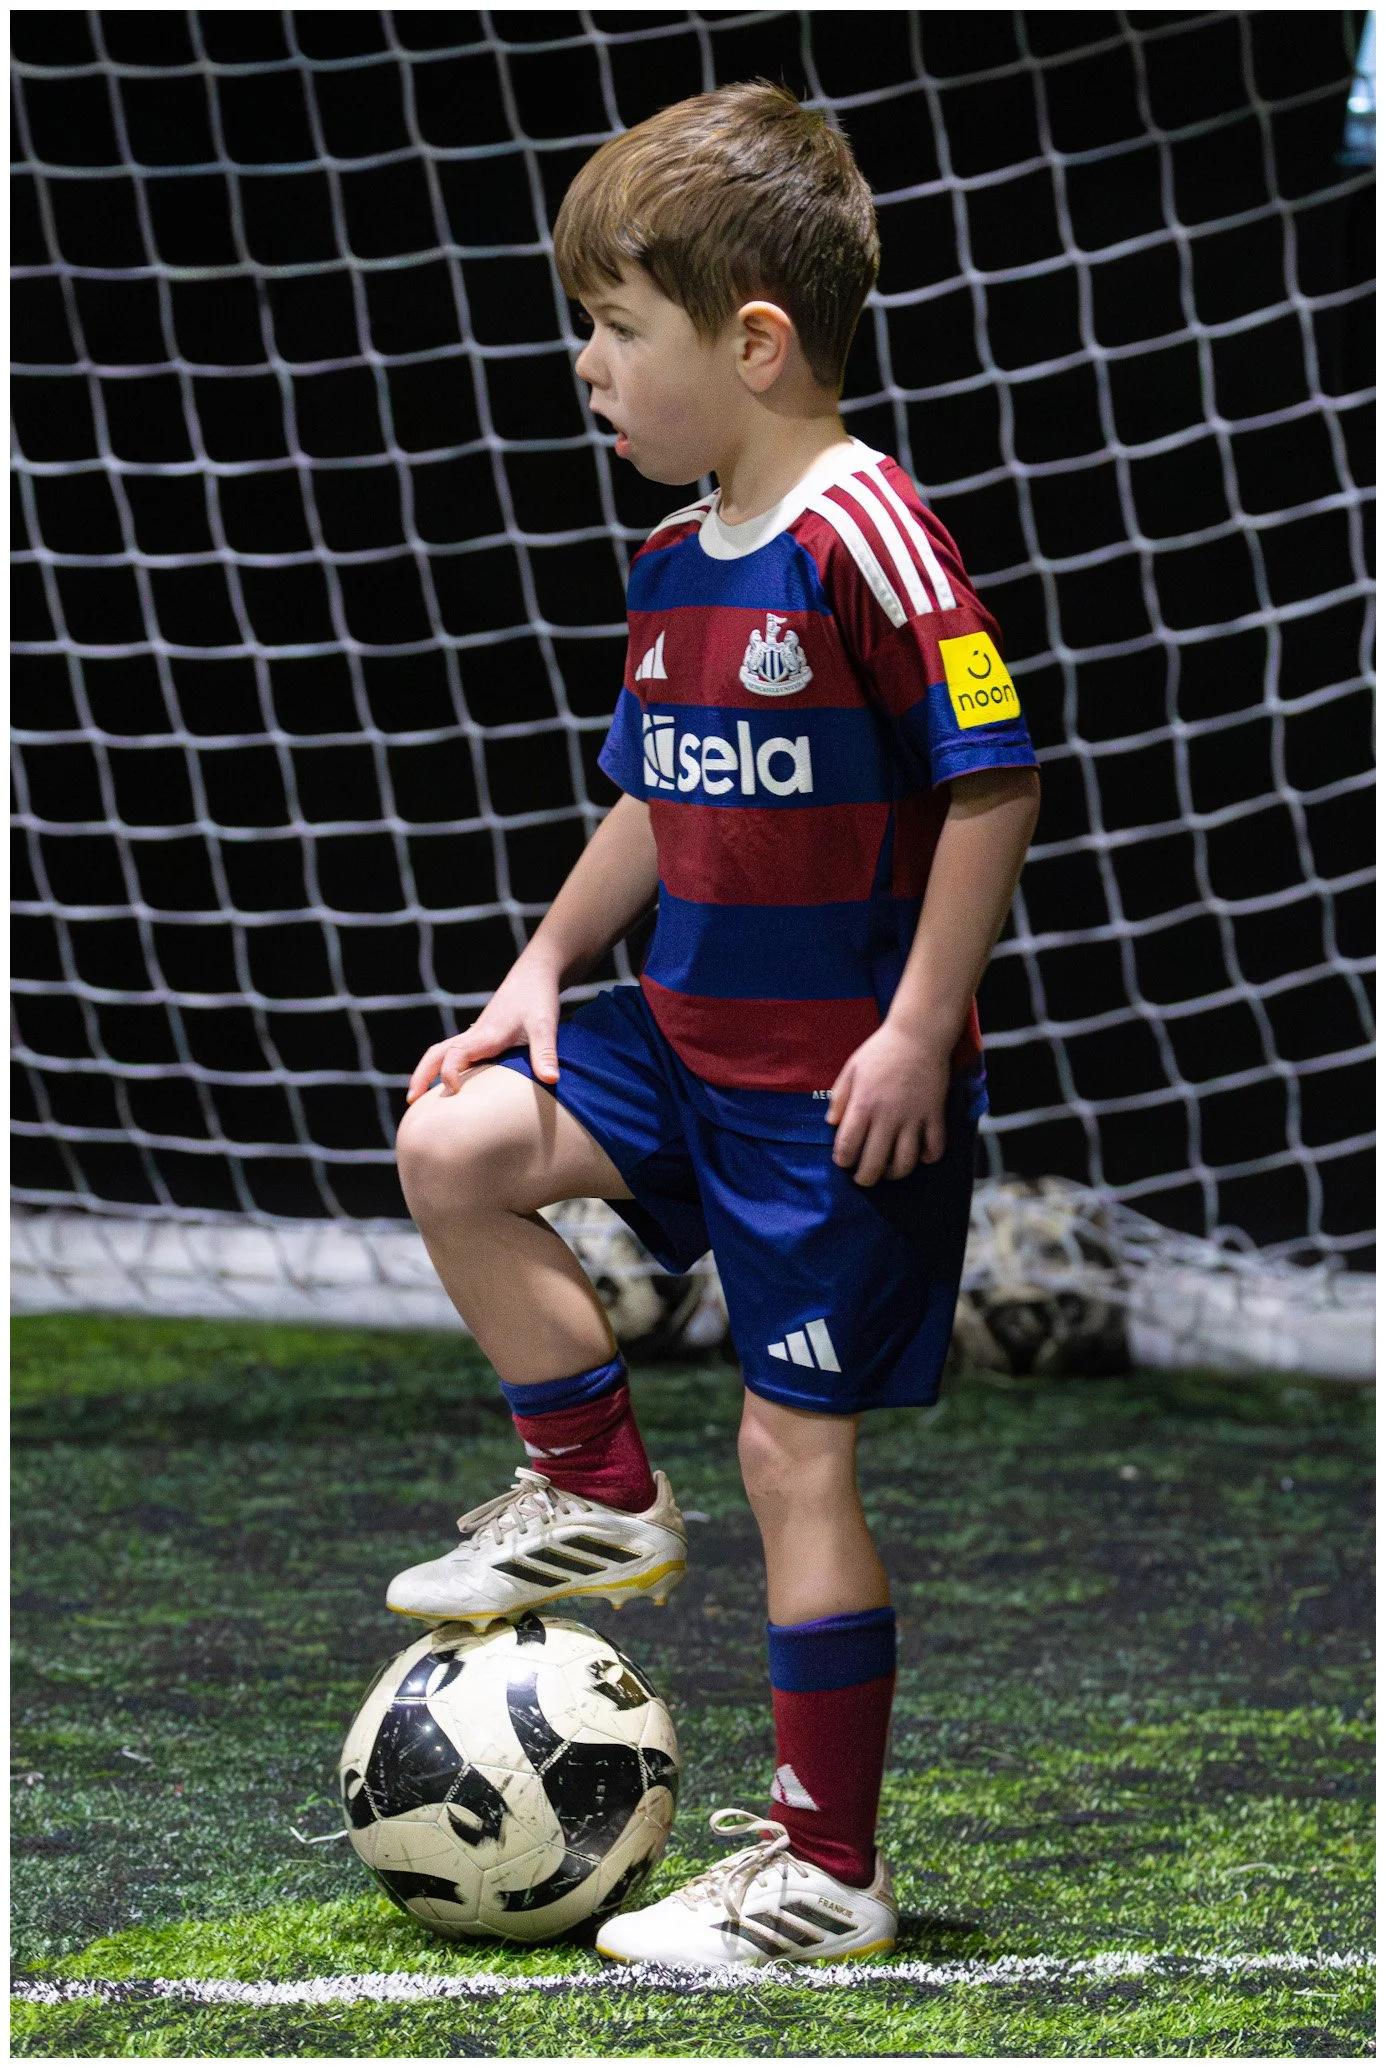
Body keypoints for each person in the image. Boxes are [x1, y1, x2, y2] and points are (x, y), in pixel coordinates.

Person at [389, 81, 1040, 1970]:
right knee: (454, 1144)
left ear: (751, 339)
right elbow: (655, 800)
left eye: (614, 326)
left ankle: (826, 1873)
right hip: (677, 1042)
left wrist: (920, 1032)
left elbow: (990, 785)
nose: (584, 361)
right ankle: (593, 1492)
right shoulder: (680, 556)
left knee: (790, 1458)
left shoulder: (869, 532)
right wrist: (535, 974)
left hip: (826, 1099)